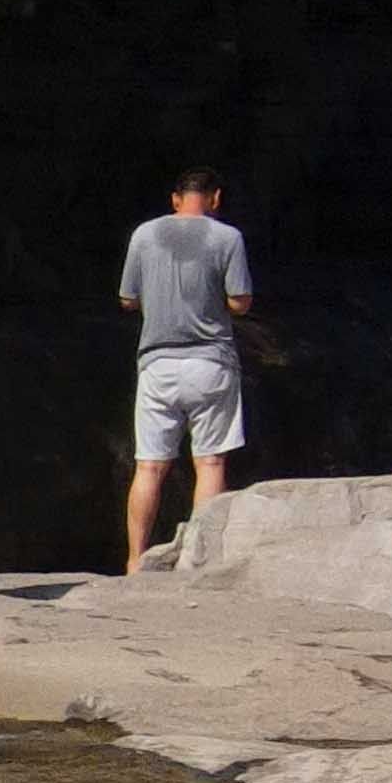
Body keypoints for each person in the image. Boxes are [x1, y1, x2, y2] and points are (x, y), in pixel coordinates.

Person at [118, 171, 260, 573]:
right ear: (215, 199)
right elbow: (241, 302)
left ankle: (133, 561)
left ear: (176, 199)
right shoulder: (227, 238)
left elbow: (127, 299)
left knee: (149, 466)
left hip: (157, 363)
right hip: (211, 362)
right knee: (211, 464)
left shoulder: (144, 235)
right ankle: (197, 561)